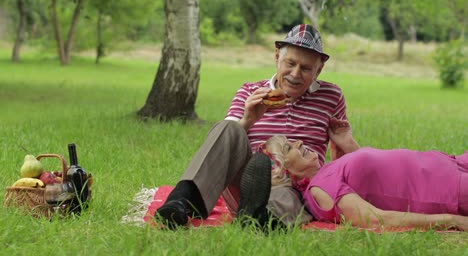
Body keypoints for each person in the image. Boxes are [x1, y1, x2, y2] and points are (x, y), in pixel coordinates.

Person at [156, 24, 356, 229]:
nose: (295, 74)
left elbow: (346, 162)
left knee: (289, 196)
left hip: (297, 186)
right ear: (277, 57)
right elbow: (224, 143)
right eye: (290, 63)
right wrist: (249, 119)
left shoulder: (331, 96)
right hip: (247, 179)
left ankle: (256, 216)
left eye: (305, 68)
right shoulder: (250, 91)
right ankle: (182, 201)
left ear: (319, 69)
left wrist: (347, 142)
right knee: (229, 128)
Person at [257, 123, 468, 231]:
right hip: (452, 190)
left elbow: (371, 178)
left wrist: (346, 144)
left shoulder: (325, 173)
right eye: (289, 148)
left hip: (454, 164)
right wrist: (452, 220)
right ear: (285, 171)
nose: (299, 143)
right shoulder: (320, 189)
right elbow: (378, 218)